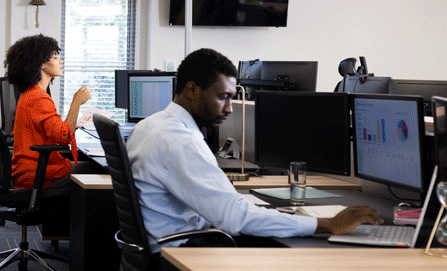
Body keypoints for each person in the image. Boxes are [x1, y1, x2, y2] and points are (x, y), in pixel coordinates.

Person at [126, 48, 381, 252]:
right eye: (223, 97)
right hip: (180, 258)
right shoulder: (181, 142)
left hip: (162, 249)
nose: (229, 108)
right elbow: (234, 218)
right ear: (192, 90)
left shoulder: (151, 125)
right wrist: (327, 224)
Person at [5, 34, 94, 189]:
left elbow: (52, 130)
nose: (61, 61)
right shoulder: (39, 98)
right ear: (41, 64)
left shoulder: (29, 94)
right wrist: (76, 102)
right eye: (54, 57)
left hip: (29, 170)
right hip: (37, 173)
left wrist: (72, 123)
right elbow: (64, 136)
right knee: (98, 170)